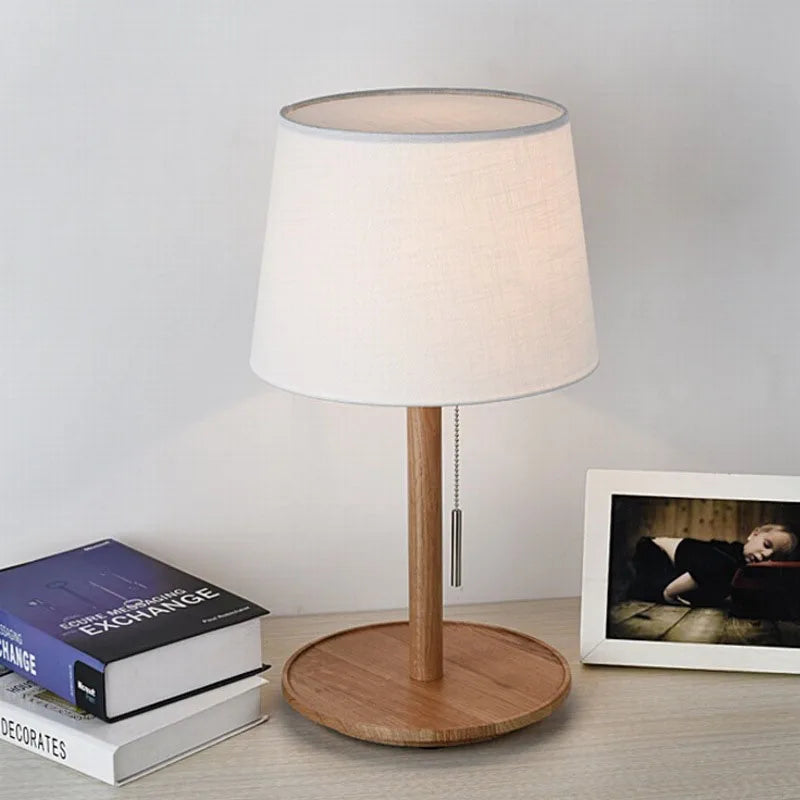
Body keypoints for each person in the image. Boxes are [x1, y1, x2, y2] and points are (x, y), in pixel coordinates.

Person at [628, 524, 798, 607]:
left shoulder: (740, 562)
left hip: (676, 567)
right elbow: (706, 569)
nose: (766, 555)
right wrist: (669, 594)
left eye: (773, 557)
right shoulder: (729, 558)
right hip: (655, 551)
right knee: (642, 589)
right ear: (754, 534)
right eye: (766, 545)